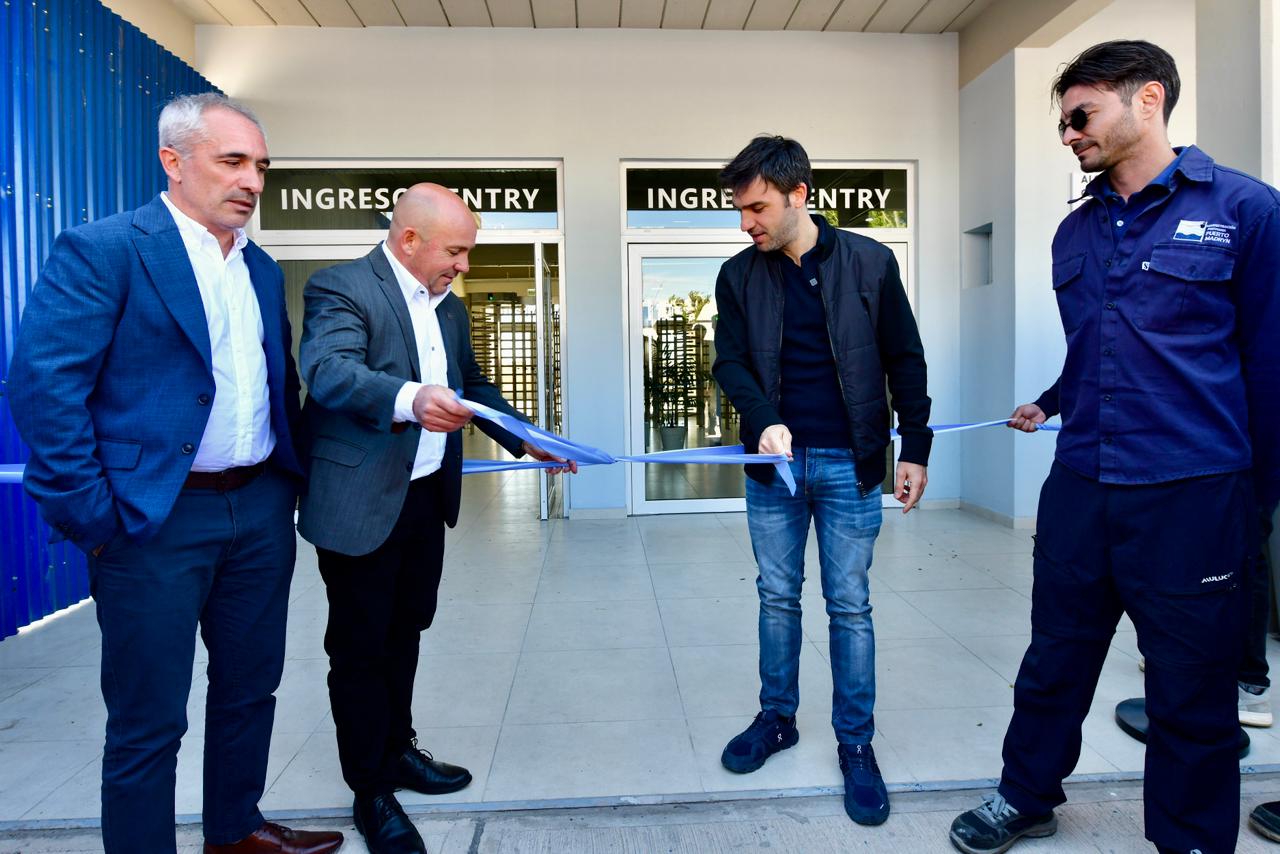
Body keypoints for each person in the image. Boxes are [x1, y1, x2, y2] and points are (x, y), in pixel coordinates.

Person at [951, 40, 1280, 854]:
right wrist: (1054, 400)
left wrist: (1251, 503)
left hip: (1194, 492)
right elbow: (1102, 346)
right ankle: (1025, 796)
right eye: (1065, 122)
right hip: (1083, 484)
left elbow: (1269, 366)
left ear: (1149, 100)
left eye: (1081, 115)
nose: (1068, 134)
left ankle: (1192, 840)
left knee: (1190, 683)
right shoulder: (1075, 232)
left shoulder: (1246, 211)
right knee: (1054, 658)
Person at [6, 94, 343, 854]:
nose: (252, 181)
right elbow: (43, 387)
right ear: (173, 161)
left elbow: (270, 383)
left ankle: (236, 831)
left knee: (250, 690)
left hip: (258, 510)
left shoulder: (259, 267)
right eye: (233, 162)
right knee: (148, 719)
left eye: (260, 166)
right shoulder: (106, 249)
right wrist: (97, 519)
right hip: (152, 520)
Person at [297, 183, 573, 854]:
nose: (464, 265)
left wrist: (527, 437)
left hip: (424, 497)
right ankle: (370, 791)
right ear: (409, 239)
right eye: (457, 250)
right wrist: (411, 398)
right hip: (361, 503)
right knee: (360, 649)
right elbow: (329, 371)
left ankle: (398, 750)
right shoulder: (341, 287)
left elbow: (472, 385)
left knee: (407, 631)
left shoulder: (448, 309)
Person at [710, 136, 932, 827]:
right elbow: (731, 364)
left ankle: (856, 746)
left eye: (757, 207)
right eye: (741, 211)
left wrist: (914, 447)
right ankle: (778, 720)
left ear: (799, 193)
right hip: (773, 469)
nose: (747, 223)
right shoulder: (738, 275)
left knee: (849, 605)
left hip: (851, 464)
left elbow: (906, 357)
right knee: (777, 598)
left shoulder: (870, 261)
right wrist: (765, 420)